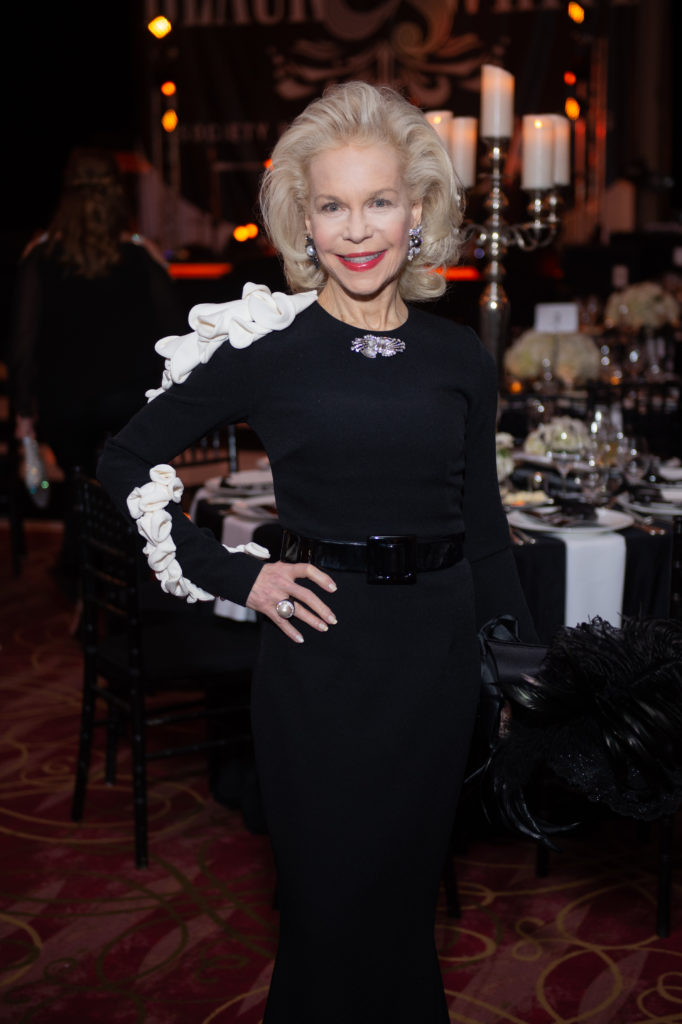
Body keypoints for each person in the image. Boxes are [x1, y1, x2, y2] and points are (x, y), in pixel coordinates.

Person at [97, 82, 536, 1022]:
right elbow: (124, 458)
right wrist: (237, 576)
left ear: (418, 211)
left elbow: (488, 530)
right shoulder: (268, 347)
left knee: (405, 910)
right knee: (327, 915)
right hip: (319, 657)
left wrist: (517, 671)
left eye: (379, 200)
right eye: (331, 205)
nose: (356, 228)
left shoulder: (460, 357)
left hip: (434, 664)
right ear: (303, 220)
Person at [7, 146, 184, 589]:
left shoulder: (39, 257)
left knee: (84, 486)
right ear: (117, 195)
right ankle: (121, 582)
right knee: (122, 490)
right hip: (130, 405)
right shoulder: (142, 256)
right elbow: (174, 336)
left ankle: (87, 578)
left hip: (65, 408)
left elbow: (22, 344)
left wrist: (24, 414)